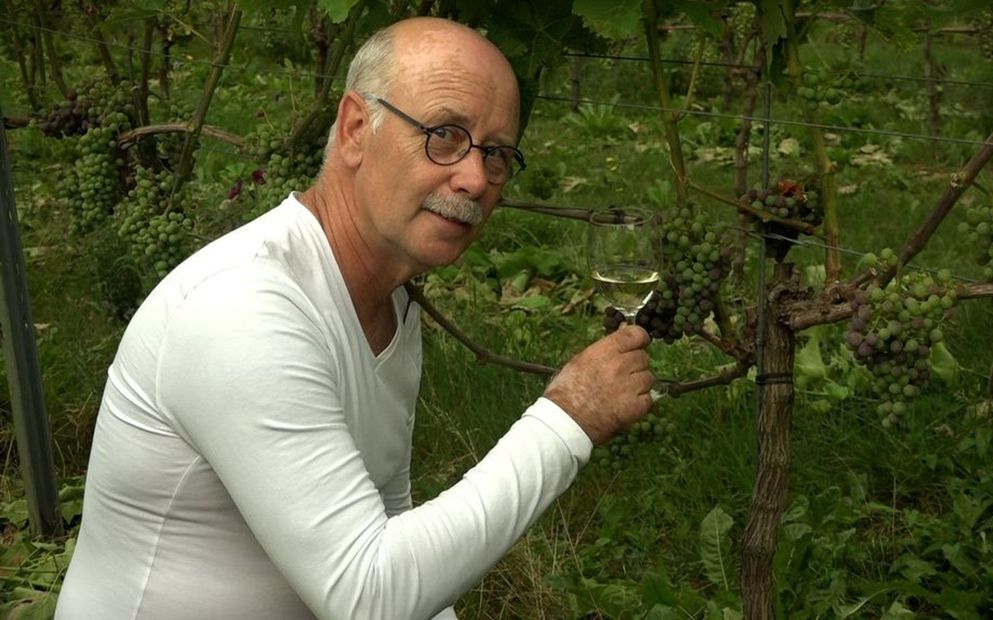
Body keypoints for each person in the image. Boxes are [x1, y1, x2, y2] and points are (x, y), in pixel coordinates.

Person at [55, 16, 655, 620]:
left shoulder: (388, 300)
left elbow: (388, 522)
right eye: (444, 135)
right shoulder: (242, 307)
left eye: (495, 154)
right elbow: (369, 595)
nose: (474, 178)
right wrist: (567, 418)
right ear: (355, 129)